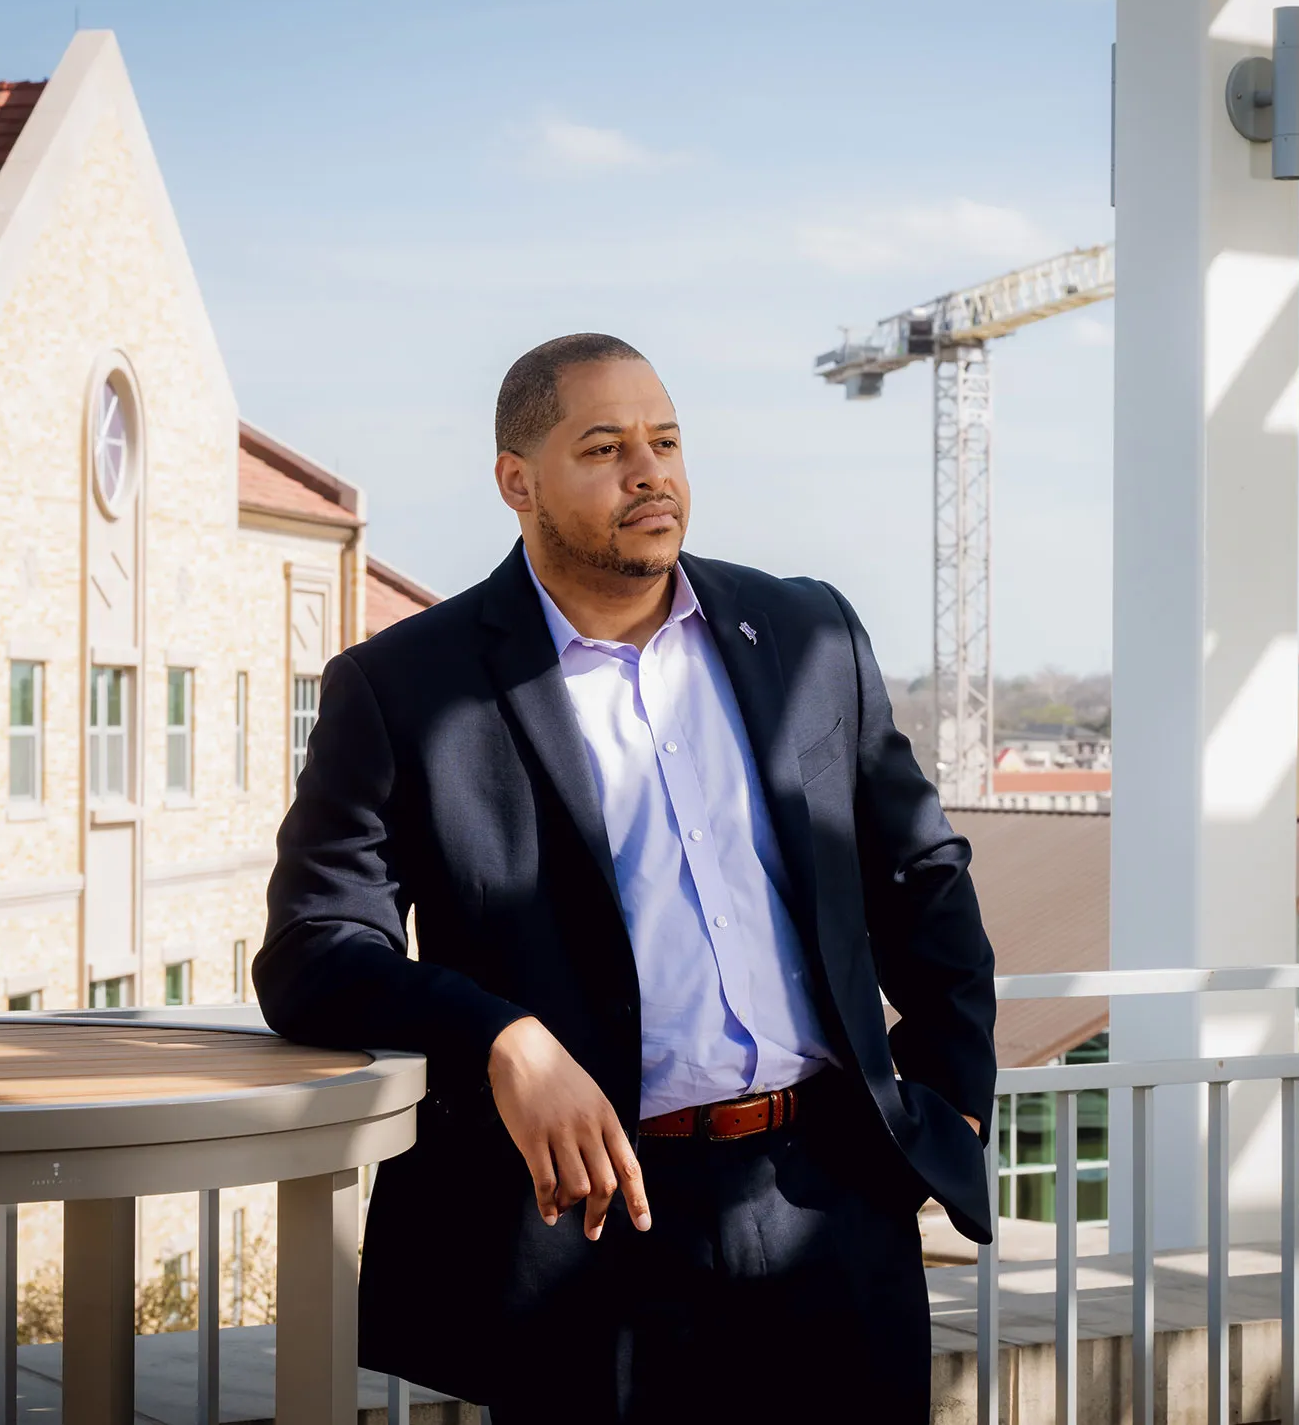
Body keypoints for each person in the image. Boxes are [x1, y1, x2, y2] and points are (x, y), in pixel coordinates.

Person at [259, 333, 995, 1422]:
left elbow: (921, 873)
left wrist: (948, 1103)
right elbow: (315, 949)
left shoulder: (805, 632)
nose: (649, 472)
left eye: (665, 440)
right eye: (604, 447)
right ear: (518, 482)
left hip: (832, 1201)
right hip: (592, 1237)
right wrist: (502, 1041)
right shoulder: (404, 687)